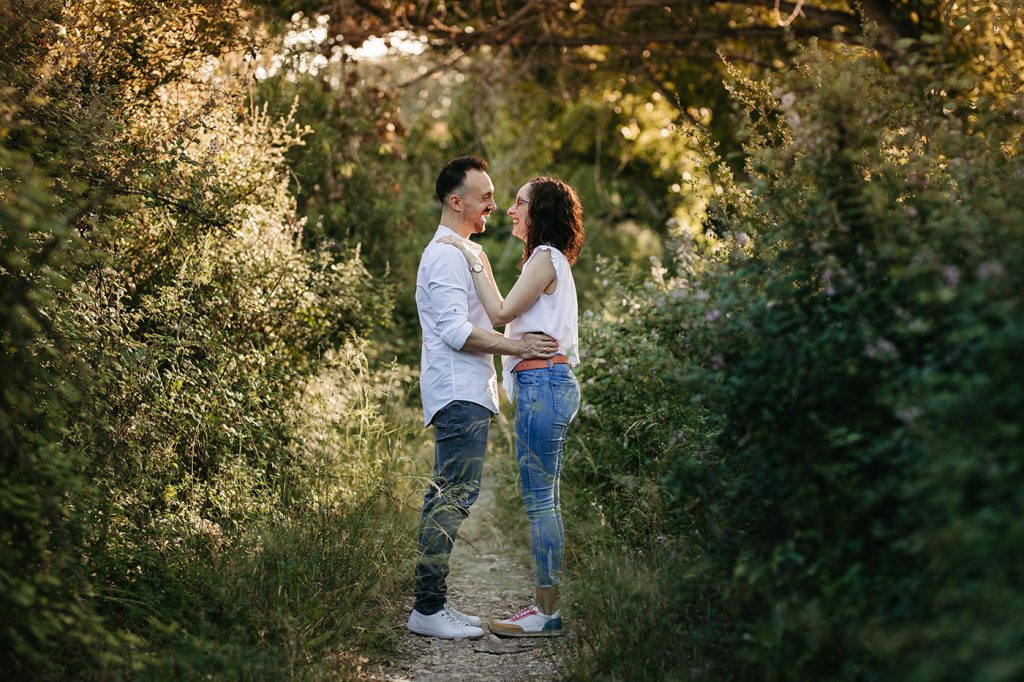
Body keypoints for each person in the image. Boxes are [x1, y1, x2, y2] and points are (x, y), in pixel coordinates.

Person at [407, 156, 560, 640]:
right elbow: (456, 331)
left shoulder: (465, 252)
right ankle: (428, 609)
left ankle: (431, 605)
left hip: (469, 392)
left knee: (451, 493)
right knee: (452, 495)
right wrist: (520, 347)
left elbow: (495, 314)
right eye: (485, 197)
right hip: (457, 393)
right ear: (457, 202)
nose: (494, 205)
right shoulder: (444, 255)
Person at [438, 175, 584, 638]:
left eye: (520, 202)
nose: (510, 210)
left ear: (539, 212)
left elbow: (500, 314)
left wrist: (473, 259)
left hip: (545, 382)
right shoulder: (548, 260)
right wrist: (479, 260)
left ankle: (546, 613)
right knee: (544, 500)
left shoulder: (545, 257)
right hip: (546, 382)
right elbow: (508, 315)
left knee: (541, 502)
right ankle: (545, 607)